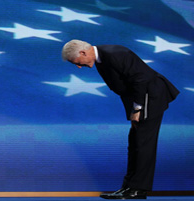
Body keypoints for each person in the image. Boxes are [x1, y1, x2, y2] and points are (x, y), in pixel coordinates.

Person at [62, 39, 179, 200]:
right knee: (135, 143)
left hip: (149, 96)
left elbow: (140, 80)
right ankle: (128, 187)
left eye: (76, 61)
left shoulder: (115, 53)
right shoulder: (102, 58)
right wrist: (133, 109)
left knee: (143, 144)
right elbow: (124, 87)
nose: (78, 66)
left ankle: (138, 190)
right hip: (140, 97)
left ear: (83, 52)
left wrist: (137, 109)